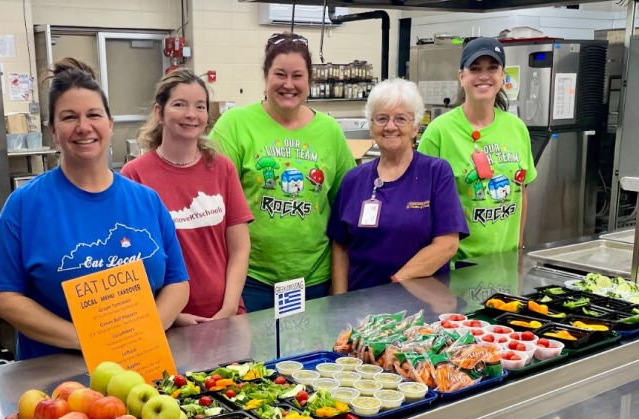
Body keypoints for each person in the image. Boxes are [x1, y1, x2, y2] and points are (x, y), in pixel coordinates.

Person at [0, 58, 189, 360]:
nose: (84, 127)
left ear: (110, 124)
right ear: (53, 130)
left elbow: (177, 282)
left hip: (142, 364)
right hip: (54, 382)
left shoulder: (146, 201)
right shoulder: (24, 205)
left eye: (93, 115)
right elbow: (5, 297)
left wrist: (146, 331)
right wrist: (87, 340)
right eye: (69, 117)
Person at [210, 32, 356, 312]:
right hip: (250, 280)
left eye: (297, 76)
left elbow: (345, 202)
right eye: (280, 74)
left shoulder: (329, 131)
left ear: (309, 81)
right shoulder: (235, 125)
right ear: (265, 77)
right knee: (252, 356)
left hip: (314, 279)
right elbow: (213, 198)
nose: (288, 84)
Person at [121, 69, 253, 325]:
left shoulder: (222, 169)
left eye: (200, 107)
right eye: (180, 105)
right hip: (168, 323)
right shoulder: (134, 175)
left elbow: (239, 248)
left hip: (226, 317)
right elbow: (132, 261)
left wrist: (228, 309)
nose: (191, 115)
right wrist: (173, 316)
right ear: (159, 112)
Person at [328, 78, 468, 293]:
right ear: (371, 126)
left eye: (401, 119)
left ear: (415, 128)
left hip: (422, 306)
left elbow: (447, 245)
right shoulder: (353, 179)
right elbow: (340, 246)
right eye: (382, 118)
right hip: (359, 308)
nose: (390, 126)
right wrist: (339, 301)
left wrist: (394, 285)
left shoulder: (436, 172)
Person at [418, 37, 537, 261]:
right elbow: (420, 206)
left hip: (505, 261)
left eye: (492, 68)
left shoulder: (517, 128)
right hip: (455, 265)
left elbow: (522, 192)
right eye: (475, 69)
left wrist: (519, 247)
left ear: (503, 75)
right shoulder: (439, 132)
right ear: (462, 77)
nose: (484, 76)